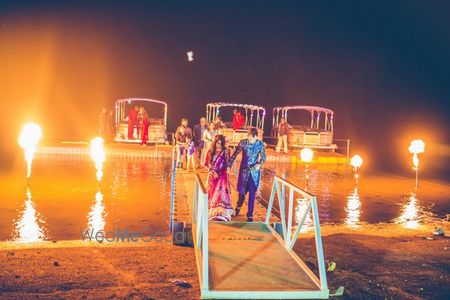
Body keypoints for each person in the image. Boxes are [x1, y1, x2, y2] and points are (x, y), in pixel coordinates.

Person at [229, 128, 266, 222]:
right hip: (244, 172)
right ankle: (238, 206)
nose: (250, 140)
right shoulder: (243, 143)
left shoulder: (260, 144)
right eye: (248, 137)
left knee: (252, 193)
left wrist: (260, 164)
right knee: (242, 193)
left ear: (256, 137)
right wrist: (229, 165)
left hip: (254, 172)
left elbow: (263, 157)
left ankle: (250, 215)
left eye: (251, 138)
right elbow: (234, 155)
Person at [206, 135, 233, 221]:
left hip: (222, 176)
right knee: (212, 193)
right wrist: (212, 171)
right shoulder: (210, 152)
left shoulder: (224, 152)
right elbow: (205, 164)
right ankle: (213, 212)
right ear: (215, 143)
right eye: (218, 143)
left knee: (220, 194)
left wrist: (227, 169)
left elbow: (227, 164)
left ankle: (221, 213)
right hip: (212, 176)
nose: (219, 145)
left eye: (221, 144)